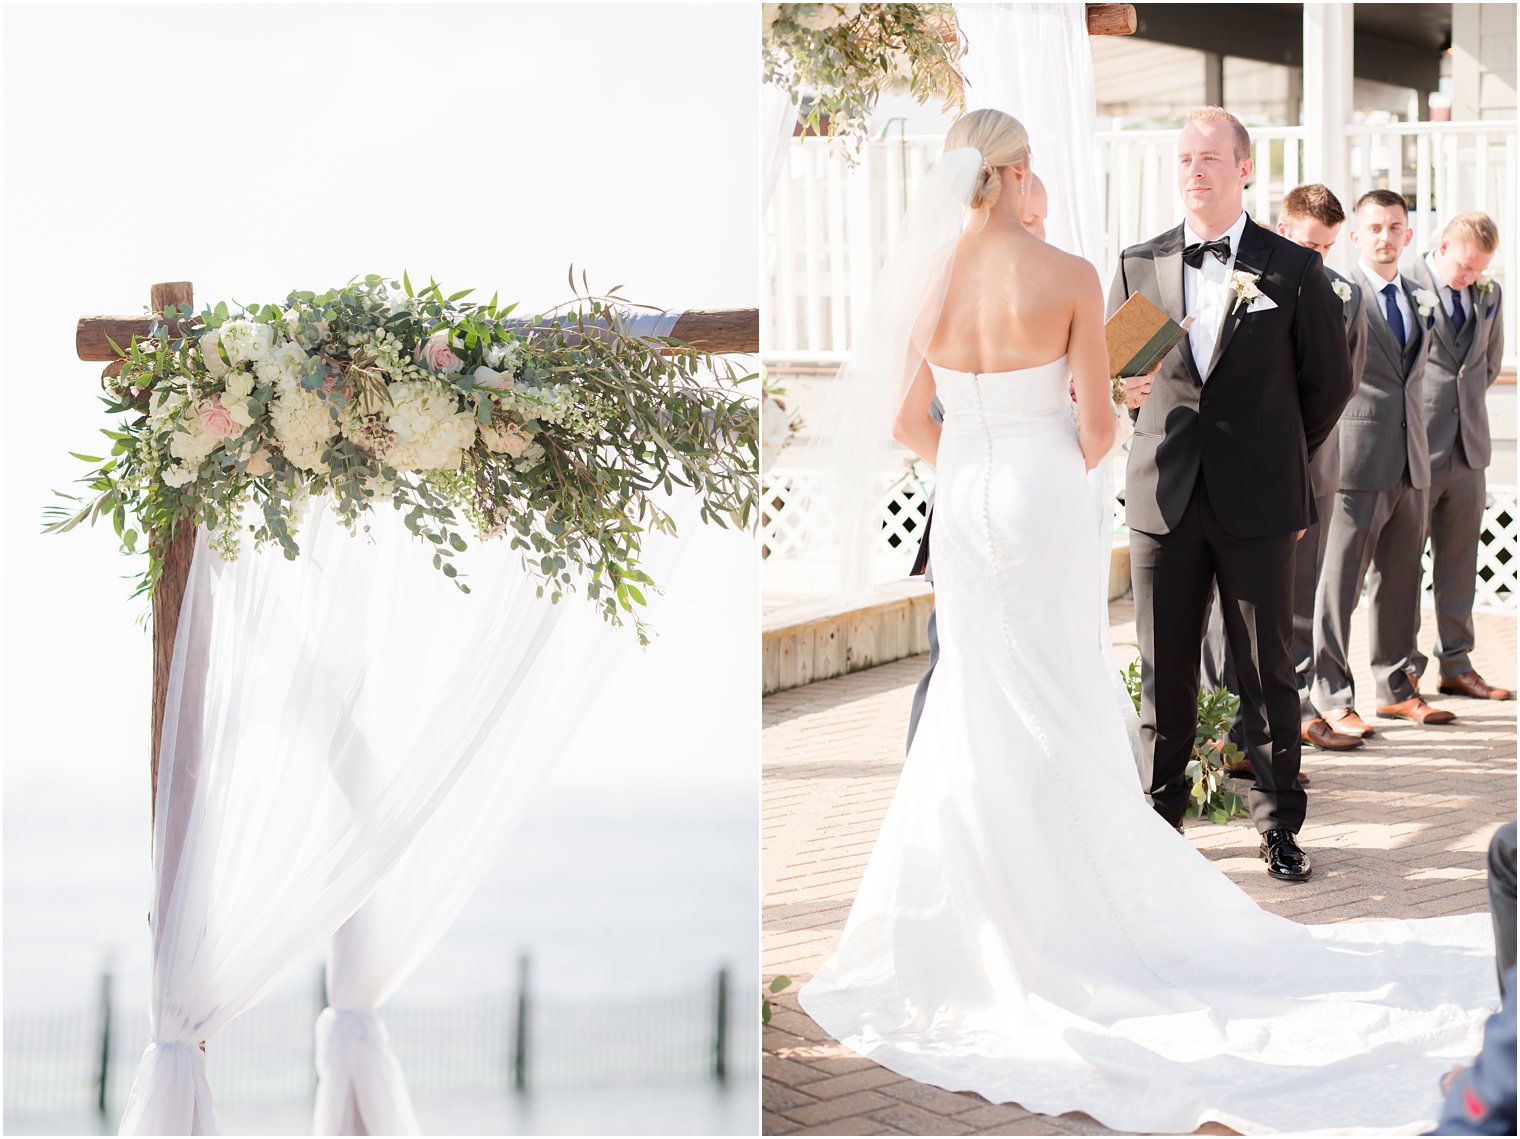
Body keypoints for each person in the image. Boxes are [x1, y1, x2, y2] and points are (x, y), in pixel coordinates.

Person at [800, 107, 1495, 1136]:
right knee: (1058, 686)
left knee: (975, 695)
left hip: (965, 499)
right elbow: (1094, 423)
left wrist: (977, 455)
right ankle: (1076, 896)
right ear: (1019, 172)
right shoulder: (1074, 271)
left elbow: (908, 419)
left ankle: (975, 911)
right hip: (1038, 497)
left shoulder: (928, 276)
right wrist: (1057, 438)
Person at [1110, 108, 1353, 879]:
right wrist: (1125, 392)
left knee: (1266, 673)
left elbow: (1329, 385)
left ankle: (1280, 828)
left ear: (1244, 168)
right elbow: (1127, 382)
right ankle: (1156, 829)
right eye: (1185, 157)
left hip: (1257, 501)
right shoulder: (1140, 262)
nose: (1196, 170)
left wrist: (1274, 453)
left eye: (1211, 157)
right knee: (1164, 671)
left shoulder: (1291, 267)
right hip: (1165, 498)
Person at [1200, 183, 1369, 763]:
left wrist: (1294, 460)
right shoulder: (1231, 275)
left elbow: (1336, 387)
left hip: (1307, 473)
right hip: (1229, 472)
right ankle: (1221, 730)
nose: (1315, 259)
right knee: (1227, 613)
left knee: (1291, 610)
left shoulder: (1345, 294)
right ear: (1279, 227)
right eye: (1305, 244)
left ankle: (1281, 722)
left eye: (1325, 248)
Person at [1313, 190, 1455, 734]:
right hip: (1356, 460)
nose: (1385, 237)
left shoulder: (1421, 296)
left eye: (1395, 227)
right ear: (1356, 236)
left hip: (1411, 460)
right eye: (1374, 227)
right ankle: (1330, 695)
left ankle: (1398, 686)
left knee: (1401, 581)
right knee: (1339, 585)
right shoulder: (1338, 293)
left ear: (1408, 235)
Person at [1410, 213, 1512, 702]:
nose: (1471, 277)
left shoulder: (1489, 295)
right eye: (1465, 266)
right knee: (1404, 565)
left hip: (1469, 447)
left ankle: (1456, 664)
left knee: (1459, 562)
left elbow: (1489, 363)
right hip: (1415, 446)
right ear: (1444, 245)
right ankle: (1402, 670)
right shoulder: (1405, 285)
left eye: (1479, 269)